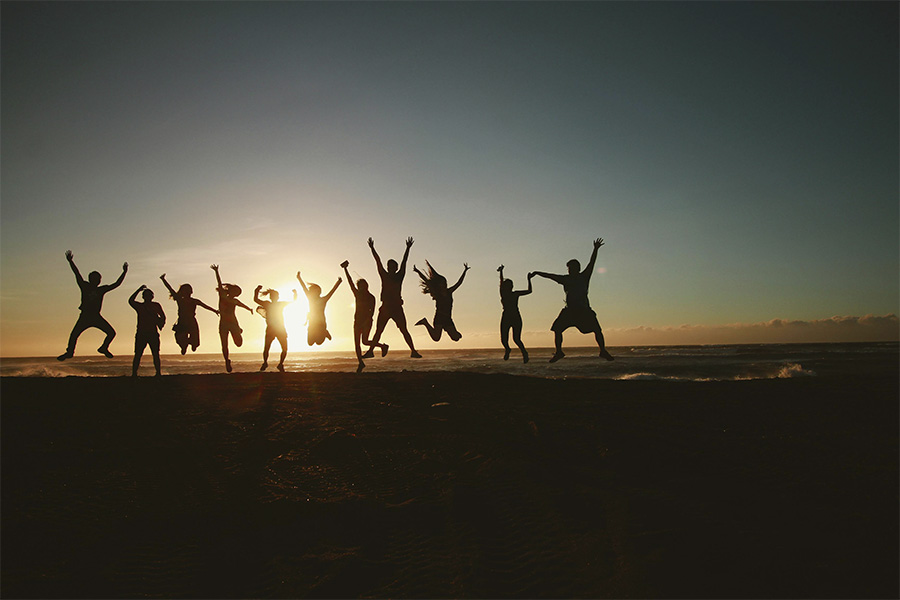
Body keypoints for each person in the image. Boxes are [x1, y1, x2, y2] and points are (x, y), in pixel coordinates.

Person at [531, 238, 614, 363]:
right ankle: (559, 352)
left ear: (578, 268)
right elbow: (550, 276)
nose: (570, 270)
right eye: (569, 268)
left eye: (572, 268)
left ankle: (602, 350)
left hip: (583, 310)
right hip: (570, 311)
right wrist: (538, 273)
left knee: (597, 330)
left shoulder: (584, 277)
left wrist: (595, 249)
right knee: (557, 329)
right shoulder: (566, 279)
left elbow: (592, 263)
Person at [58, 250, 128, 360]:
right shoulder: (84, 286)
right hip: (85, 316)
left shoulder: (102, 289)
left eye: (98, 279)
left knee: (111, 333)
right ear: (91, 279)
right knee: (74, 335)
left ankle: (104, 348)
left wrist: (124, 272)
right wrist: (71, 262)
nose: (97, 281)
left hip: (96, 316)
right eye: (95, 279)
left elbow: (116, 284)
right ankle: (69, 352)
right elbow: (77, 274)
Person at [366, 236, 421, 358]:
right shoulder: (385, 275)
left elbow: (404, 262)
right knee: (379, 331)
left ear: (395, 268)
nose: (390, 268)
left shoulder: (399, 276)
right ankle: (370, 351)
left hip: (395, 307)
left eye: (392, 267)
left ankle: (413, 351)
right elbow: (378, 261)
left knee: (403, 330)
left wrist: (407, 249)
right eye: (389, 266)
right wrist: (372, 248)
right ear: (388, 268)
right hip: (386, 307)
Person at [341, 260, 389, 373]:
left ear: (367, 286)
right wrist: (345, 269)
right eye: (361, 286)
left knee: (365, 341)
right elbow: (350, 283)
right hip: (357, 321)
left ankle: (382, 346)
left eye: (364, 285)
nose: (363, 287)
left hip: (367, 321)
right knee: (358, 344)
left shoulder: (371, 297)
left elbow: (372, 311)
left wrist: (367, 321)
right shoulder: (357, 294)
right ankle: (361, 363)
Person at [160, 274, 219, 355]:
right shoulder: (180, 300)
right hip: (183, 321)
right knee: (180, 338)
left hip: (191, 321)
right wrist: (163, 280)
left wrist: (215, 311)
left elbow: (205, 306)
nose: (188, 292)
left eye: (189, 290)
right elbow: (170, 289)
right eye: (186, 290)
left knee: (195, 342)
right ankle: (184, 346)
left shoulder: (194, 301)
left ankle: (190, 344)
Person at [211, 264, 253, 372]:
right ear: (231, 291)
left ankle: (238, 331)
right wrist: (216, 272)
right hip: (223, 324)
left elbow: (242, 305)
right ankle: (227, 361)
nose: (236, 295)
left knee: (239, 344)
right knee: (224, 344)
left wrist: (249, 309)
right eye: (236, 292)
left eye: (238, 294)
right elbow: (219, 284)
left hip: (233, 323)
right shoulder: (222, 296)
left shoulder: (235, 301)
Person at [413, 261, 469, 342]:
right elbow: (427, 281)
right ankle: (425, 322)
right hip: (439, 317)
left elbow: (459, 283)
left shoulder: (449, 291)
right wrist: (418, 271)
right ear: (439, 285)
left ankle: (450, 331)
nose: (444, 285)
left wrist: (465, 271)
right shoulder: (437, 294)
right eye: (442, 284)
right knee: (436, 338)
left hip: (448, 318)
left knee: (456, 338)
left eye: (445, 283)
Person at [254, 285, 297, 372]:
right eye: (274, 296)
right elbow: (256, 300)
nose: (275, 297)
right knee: (268, 348)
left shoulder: (279, 304)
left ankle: (279, 364)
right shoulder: (268, 304)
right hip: (273, 329)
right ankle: (266, 363)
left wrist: (295, 293)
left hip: (279, 328)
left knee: (283, 348)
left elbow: (294, 301)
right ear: (272, 297)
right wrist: (256, 290)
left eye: (276, 296)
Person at [498, 265, 533, 363]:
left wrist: (529, 280)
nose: (508, 287)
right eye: (506, 286)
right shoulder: (503, 293)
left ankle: (524, 353)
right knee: (504, 339)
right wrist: (501, 272)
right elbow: (500, 282)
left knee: (516, 339)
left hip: (515, 316)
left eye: (510, 286)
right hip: (506, 316)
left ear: (512, 286)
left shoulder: (515, 294)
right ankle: (508, 349)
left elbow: (529, 291)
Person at [296, 270, 341, 346]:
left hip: (321, 324)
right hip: (312, 323)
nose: (313, 293)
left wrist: (338, 282)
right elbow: (304, 288)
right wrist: (299, 278)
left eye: (316, 291)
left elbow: (332, 291)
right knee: (310, 343)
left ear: (319, 292)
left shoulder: (323, 300)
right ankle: (323, 333)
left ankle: (325, 332)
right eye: (313, 291)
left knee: (319, 342)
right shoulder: (310, 298)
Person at [128, 285, 166, 377]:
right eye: (146, 295)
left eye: (149, 295)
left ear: (152, 296)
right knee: (138, 354)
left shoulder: (156, 305)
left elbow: (163, 316)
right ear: (144, 297)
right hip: (142, 333)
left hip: (152, 333)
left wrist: (161, 323)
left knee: (155, 354)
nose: (148, 297)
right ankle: (134, 374)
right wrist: (138, 290)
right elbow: (130, 301)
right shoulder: (140, 306)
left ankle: (158, 373)